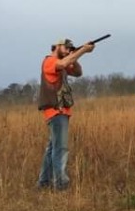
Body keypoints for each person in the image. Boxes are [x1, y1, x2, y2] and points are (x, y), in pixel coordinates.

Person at [37, 38, 95, 190]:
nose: (69, 50)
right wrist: (83, 51)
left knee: (52, 148)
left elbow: (78, 72)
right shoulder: (50, 61)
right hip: (57, 111)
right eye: (66, 47)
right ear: (57, 46)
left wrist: (75, 55)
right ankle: (61, 184)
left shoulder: (63, 62)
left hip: (61, 111)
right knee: (60, 149)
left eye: (71, 48)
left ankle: (43, 182)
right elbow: (63, 64)